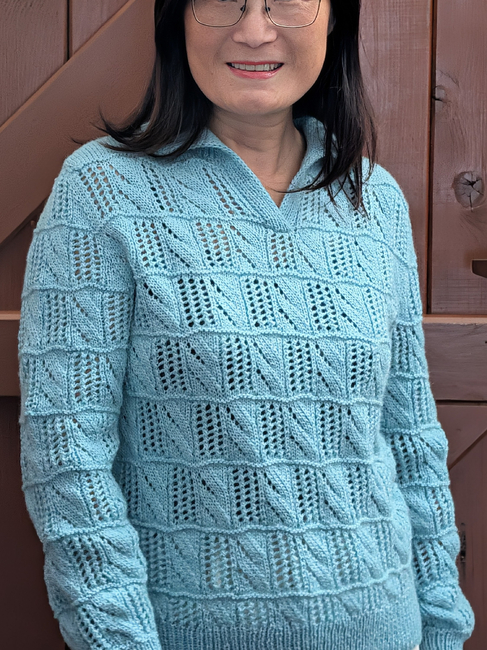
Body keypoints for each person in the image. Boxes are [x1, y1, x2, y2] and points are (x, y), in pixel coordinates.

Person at [17, 0, 475, 648]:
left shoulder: (374, 200)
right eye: (222, 0)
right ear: (177, 17)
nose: (254, 31)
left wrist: (444, 629)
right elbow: (66, 459)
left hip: (388, 630)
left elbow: (411, 442)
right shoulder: (103, 191)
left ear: (333, 18)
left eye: (284, 1)